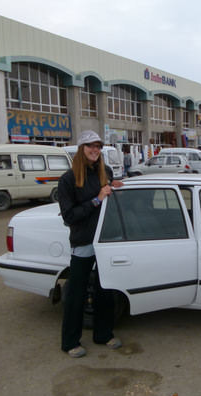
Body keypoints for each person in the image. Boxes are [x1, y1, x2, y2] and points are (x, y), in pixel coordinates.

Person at [58, 130, 124, 358]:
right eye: (90, 146)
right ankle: (70, 342)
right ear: (81, 149)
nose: (94, 150)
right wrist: (97, 199)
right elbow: (69, 216)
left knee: (105, 289)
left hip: (105, 241)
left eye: (97, 146)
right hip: (83, 242)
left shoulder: (104, 171)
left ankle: (103, 334)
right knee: (76, 294)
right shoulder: (68, 179)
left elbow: (106, 193)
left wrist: (112, 186)